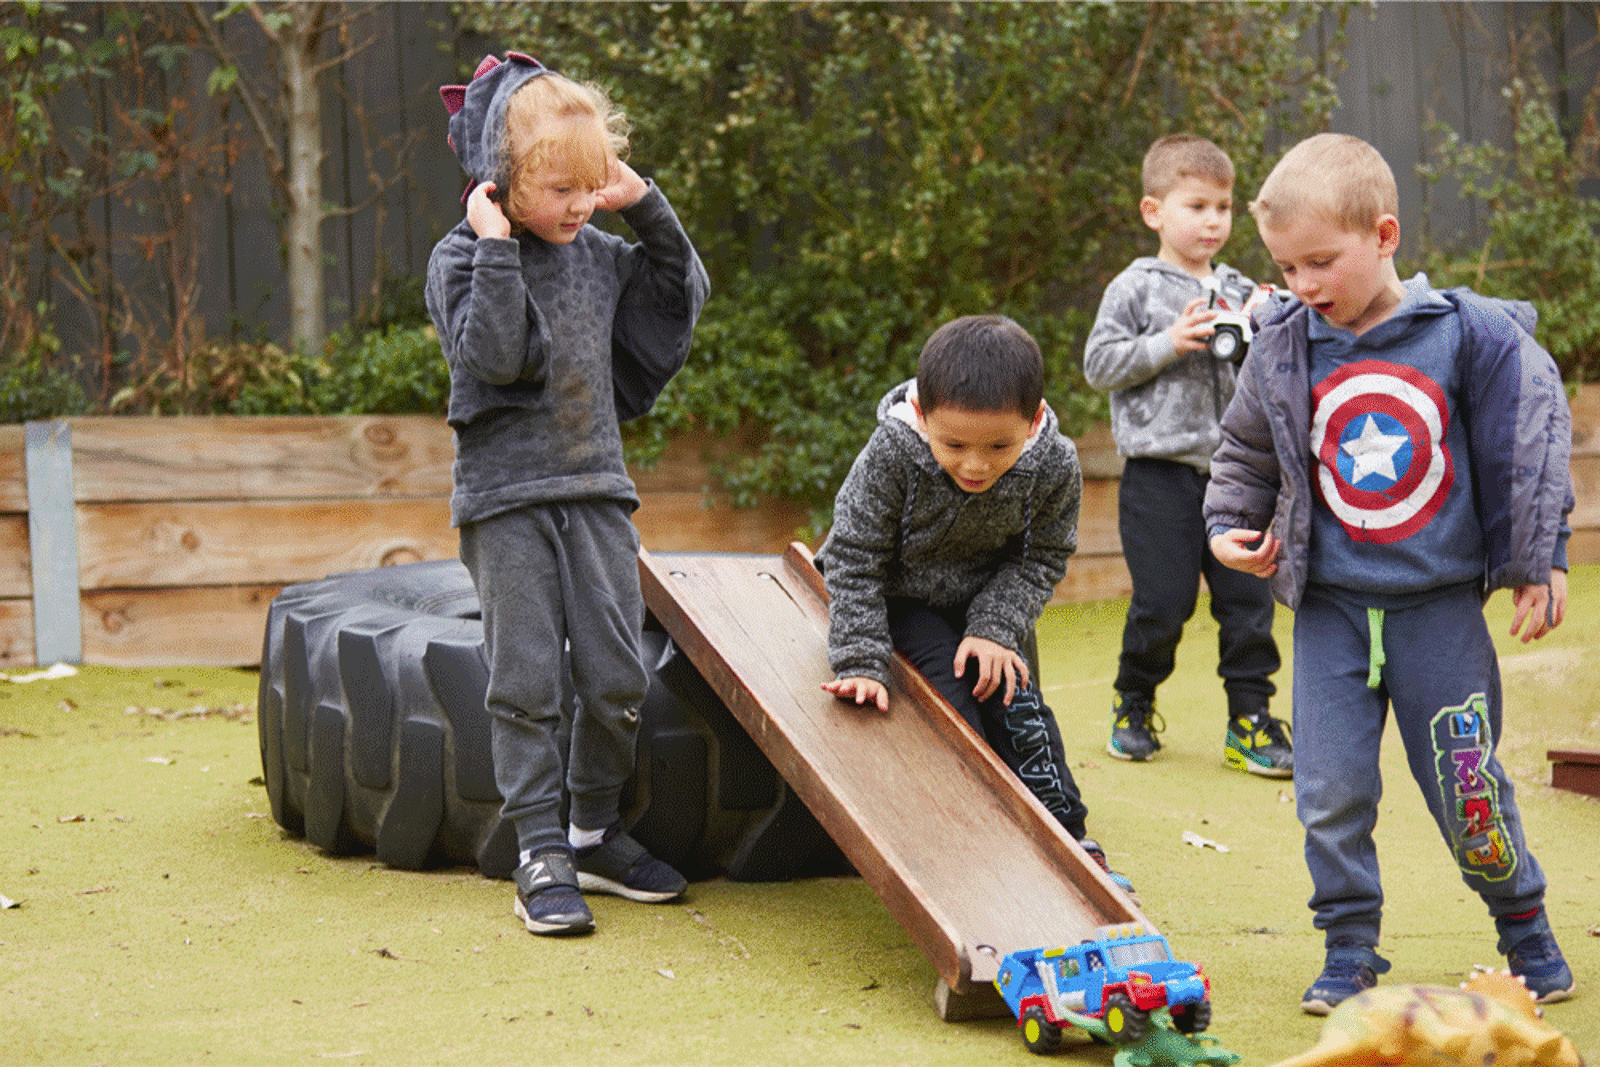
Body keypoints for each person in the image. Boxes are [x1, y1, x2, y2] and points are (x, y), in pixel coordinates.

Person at [1204, 133, 1576, 1012]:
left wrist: (1539, 558)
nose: (1302, 285)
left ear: (1384, 234)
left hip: (1437, 612)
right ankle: (1349, 945)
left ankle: (1523, 923)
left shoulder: (1466, 337)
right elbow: (1246, 452)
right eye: (1288, 267)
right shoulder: (1286, 344)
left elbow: (1531, 448)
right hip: (1332, 611)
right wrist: (1229, 526)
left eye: (1321, 261)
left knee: (1466, 785)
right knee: (1329, 790)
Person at [427, 53, 709, 936]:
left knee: (618, 674)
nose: (581, 205)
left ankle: (593, 827)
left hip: (595, 490)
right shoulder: (462, 259)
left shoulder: (602, 253)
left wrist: (646, 205)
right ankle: (539, 847)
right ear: (501, 179)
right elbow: (495, 356)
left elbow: (680, 297)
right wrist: (500, 246)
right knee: (526, 682)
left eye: (593, 185)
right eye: (561, 188)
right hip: (506, 499)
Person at [816, 315, 1131, 892]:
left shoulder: (1054, 463)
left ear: (1033, 422)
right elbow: (854, 556)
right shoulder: (893, 450)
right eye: (953, 444)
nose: (975, 465)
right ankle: (974, 834)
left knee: (1017, 701)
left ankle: (1068, 835)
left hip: (988, 596)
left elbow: (1042, 557)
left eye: (998, 446)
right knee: (955, 698)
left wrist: (995, 628)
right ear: (923, 416)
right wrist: (860, 658)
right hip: (902, 594)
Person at [1083, 134, 1290, 776]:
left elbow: (1273, 367)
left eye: (1224, 207)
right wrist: (1169, 342)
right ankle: (1134, 704)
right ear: (1154, 212)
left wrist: (1271, 320)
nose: (1212, 221)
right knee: (1163, 604)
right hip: (1159, 476)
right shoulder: (1135, 289)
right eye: (1196, 205)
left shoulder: (1236, 288)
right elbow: (1099, 365)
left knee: (1248, 605)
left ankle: (1250, 724)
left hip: (1240, 476)